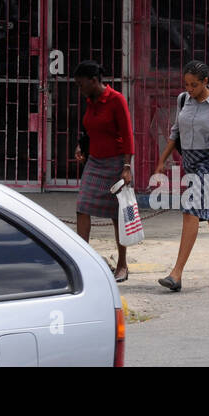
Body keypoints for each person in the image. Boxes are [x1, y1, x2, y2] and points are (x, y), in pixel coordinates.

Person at [149, 60, 209, 291]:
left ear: (205, 82)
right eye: (187, 84)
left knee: (190, 211)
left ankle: (176, 274)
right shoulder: (183, 100)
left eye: (194, 85)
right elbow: (175, 133)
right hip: (189, 163)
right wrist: (162, 160)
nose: (189, 89)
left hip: (208, 164)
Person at [72, 60, 135, 282]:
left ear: (93, 81)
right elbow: (90, 128)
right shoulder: (91, 101)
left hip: (116, 163)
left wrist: (127, 167)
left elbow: (127, 135)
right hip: (95, 162)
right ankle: (82, 262)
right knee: (82, 207)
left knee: (117, 216)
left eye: (81, 85)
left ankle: (122, 265)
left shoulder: (116, 100)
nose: (80, 89)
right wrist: (81, 145)